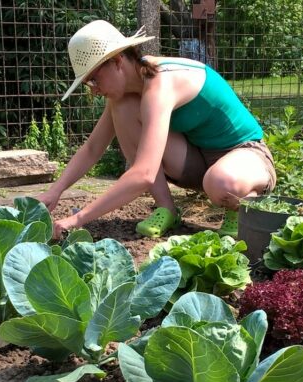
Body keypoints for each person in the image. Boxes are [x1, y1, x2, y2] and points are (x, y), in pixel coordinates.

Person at [37, 20, 276, 239]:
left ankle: (241, 207)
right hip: (198, 161)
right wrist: (54, 191)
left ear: (117, 61)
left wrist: (79, 218)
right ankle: (167, 209)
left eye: (93, 80)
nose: (93, 90)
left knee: (222, 184)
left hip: (246, 156)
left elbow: (144, 173)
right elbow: (92, 148)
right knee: (123, 108)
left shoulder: (161, 82)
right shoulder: (128, 93)